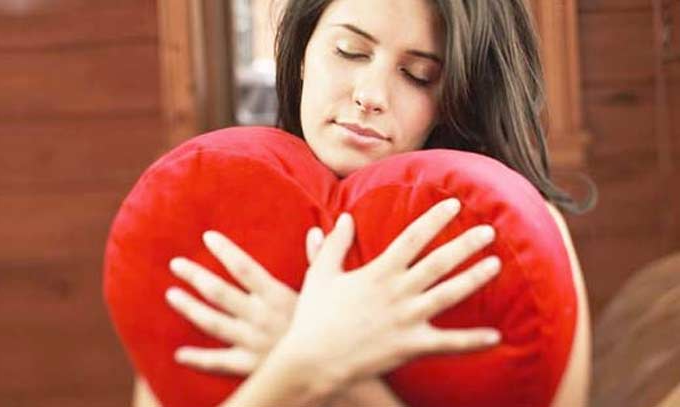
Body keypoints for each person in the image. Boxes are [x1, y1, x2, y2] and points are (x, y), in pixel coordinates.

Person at [133, 0, 592, 405]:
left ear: (456, 99)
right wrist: (299, 366)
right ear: (301, 53)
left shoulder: (515, 239)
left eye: (418, 76)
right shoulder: (205, 212)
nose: (370, 96)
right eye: (349, 51)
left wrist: (350, 382)